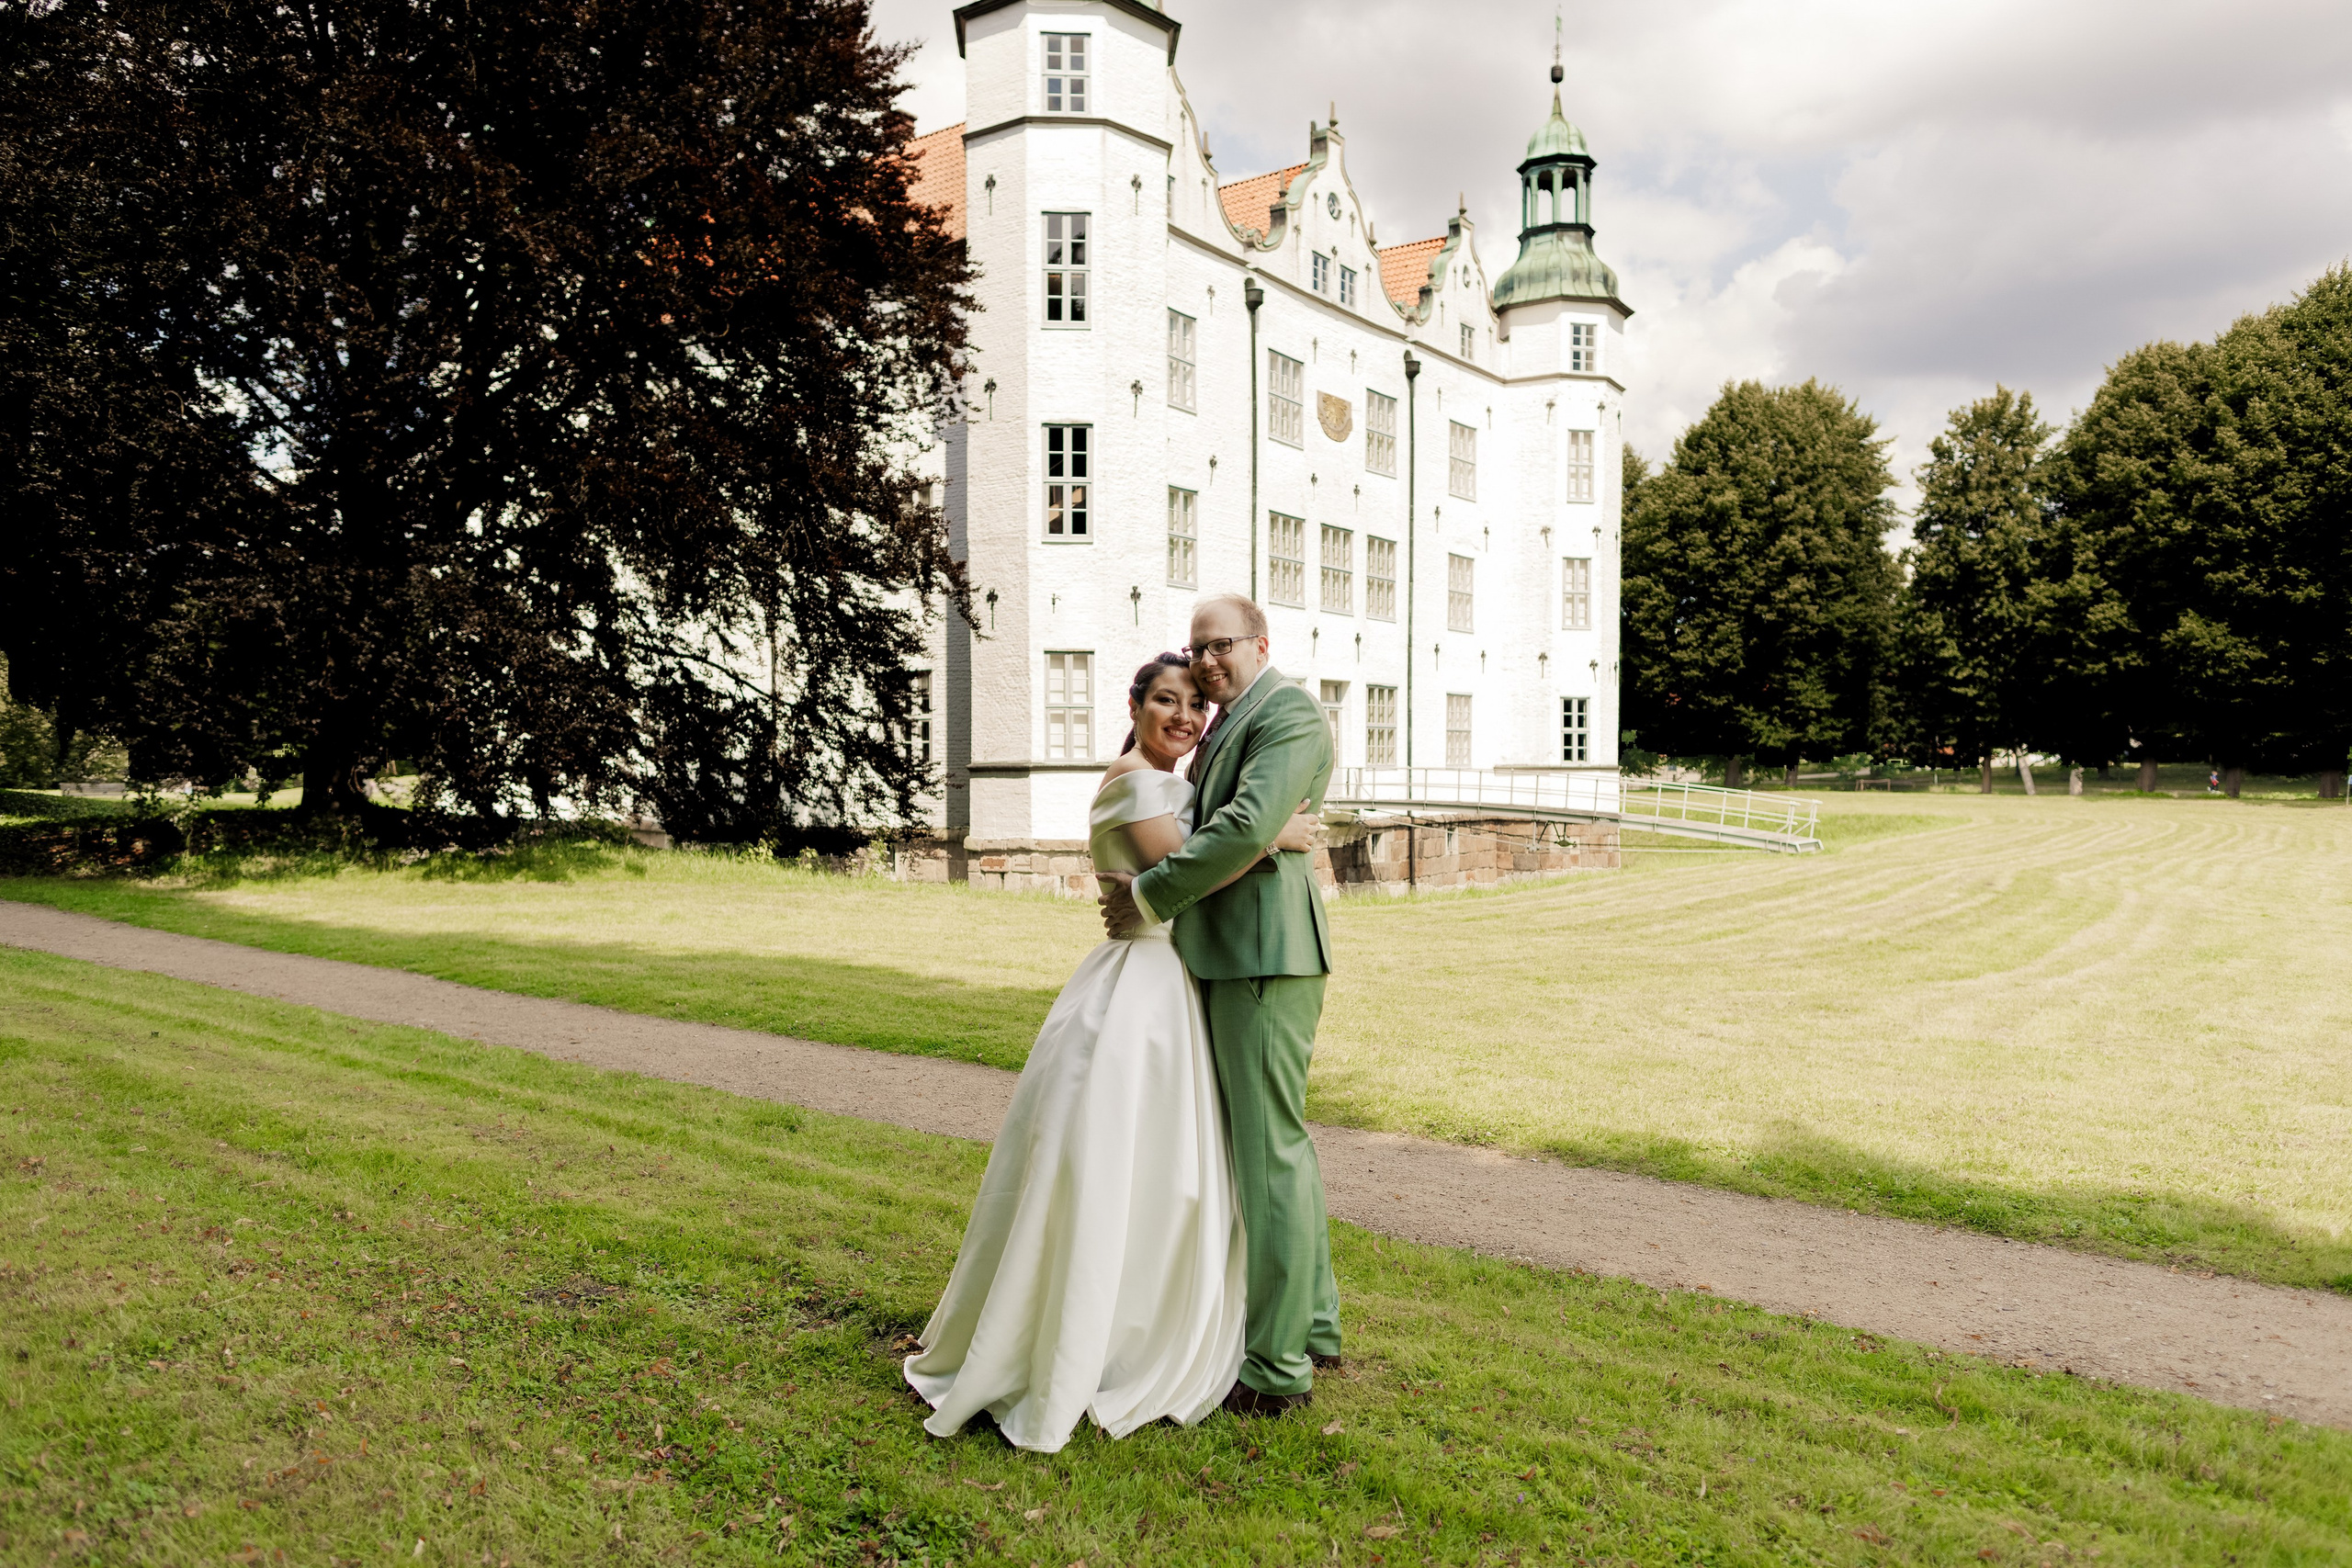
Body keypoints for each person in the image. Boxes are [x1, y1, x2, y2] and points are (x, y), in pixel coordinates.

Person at [903, 651, 1318, 1453]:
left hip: (1168, 980)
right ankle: (1111, 1337)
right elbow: (1196, 870)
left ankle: (1148, 1312)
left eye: (1196, 703)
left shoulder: (1170, 782)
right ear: (1134, 705)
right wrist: (1278, 832)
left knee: (1162, 1168)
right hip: (1142, 987)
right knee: (1125, 1164)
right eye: (1167, 699)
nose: (1184, 716)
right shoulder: (1134, 781)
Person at [1098, 593, 1339, 1416]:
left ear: (1260, 642)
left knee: (1269, 1154)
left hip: (1264, 954)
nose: (1204, 661)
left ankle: (1276, 1369)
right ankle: (1312, 1323)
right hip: (1232, 951)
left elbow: (1242, 826)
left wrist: (1150, 894)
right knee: (1277, 1149)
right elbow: (1246, 824)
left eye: (1220, 645)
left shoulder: (1289, 713)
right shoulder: (1234, 718)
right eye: (1195, 648)